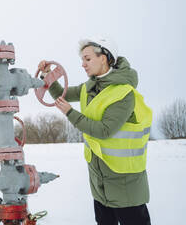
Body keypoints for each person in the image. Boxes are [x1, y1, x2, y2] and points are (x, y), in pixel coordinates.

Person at [38, 37, 152, 225]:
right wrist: (47, 73)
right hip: (100, 185)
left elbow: (105, 130)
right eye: (82, 60)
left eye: (87, 59)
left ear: (104, 58)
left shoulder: (124, 92)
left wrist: (70, 113)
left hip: (126, 188)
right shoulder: (89, 88)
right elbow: (61, 94)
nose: (83, 64)